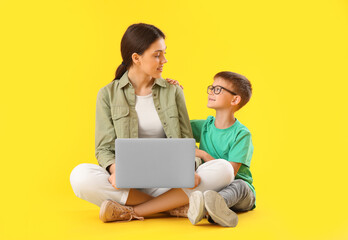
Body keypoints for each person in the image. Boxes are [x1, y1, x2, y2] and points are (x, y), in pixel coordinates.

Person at [69, 23, 234, 223]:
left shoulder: (173, 91)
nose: (164, 60)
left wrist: (189, 169)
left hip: (169, 180)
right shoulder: (107, 94)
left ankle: (133, 211)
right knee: (79, 176)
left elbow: (185, 140)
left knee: (224, 169)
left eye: (164, 54)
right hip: (129, 183)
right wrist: (115, 170)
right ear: (136, 58)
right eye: (157, 55)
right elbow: (103, 148)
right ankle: (173, 206)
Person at [187, 71, 255, 227]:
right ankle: (213, 211)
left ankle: (212, 205)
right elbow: (177, 127)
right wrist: (175, 92)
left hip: (239, 191)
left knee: (240, 186)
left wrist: (203, 154)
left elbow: (231, 172)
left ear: (235, 99)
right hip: (210, 184)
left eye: (218, 89)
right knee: (198, 182)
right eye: (211, 88)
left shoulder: (241, 134)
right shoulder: (205, 126)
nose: (211, 92)